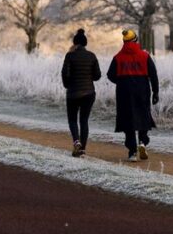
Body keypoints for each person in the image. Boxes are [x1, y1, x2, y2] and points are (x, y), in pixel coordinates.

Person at [107, 29, 159, 162]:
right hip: (142, 90)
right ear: (136, 41)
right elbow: (153, 75)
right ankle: (142, 141)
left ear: (124, 42)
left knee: (128, 120)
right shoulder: (145, 56)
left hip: (124, 92)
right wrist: (155, 92)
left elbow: (110, 75)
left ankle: (132, 152)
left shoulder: (118, 57)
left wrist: (121, 81)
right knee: (143, 115)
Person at [61, 28, 101, 157]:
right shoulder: (92, 56)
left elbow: (64, 74)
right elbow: (97, 76)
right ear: (85, 43)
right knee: (84, 120)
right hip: (89, 93)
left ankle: (76, 141)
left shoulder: (70, 55)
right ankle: (83, 148)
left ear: (75, 43)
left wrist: (68, 85)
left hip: (73, 93)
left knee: (72, 120)